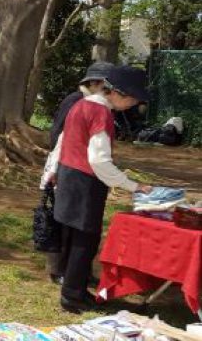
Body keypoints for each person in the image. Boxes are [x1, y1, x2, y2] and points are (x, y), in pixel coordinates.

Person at [42, 65, 154, 314]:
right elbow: (99, 160)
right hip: (85, 180)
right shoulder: (100, 113)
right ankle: (72, 297)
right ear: (119, 93)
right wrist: (133, 186)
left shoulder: (80, 104)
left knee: (72, 237)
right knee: (85, 240)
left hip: (69, 175)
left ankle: (76, 291)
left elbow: (63, 140)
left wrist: (53, 170)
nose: (133, 105)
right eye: (133, 99)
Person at [41, 61, 113, 286]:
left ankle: (77, 273)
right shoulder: (77, 101)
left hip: (78, 170)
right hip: (70, 170)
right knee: (67, 226)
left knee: (77, 228)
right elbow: (59, 137)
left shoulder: (98, 105)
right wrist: (55, 170)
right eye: (105, 86)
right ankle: (61, 271)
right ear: (94, 83)